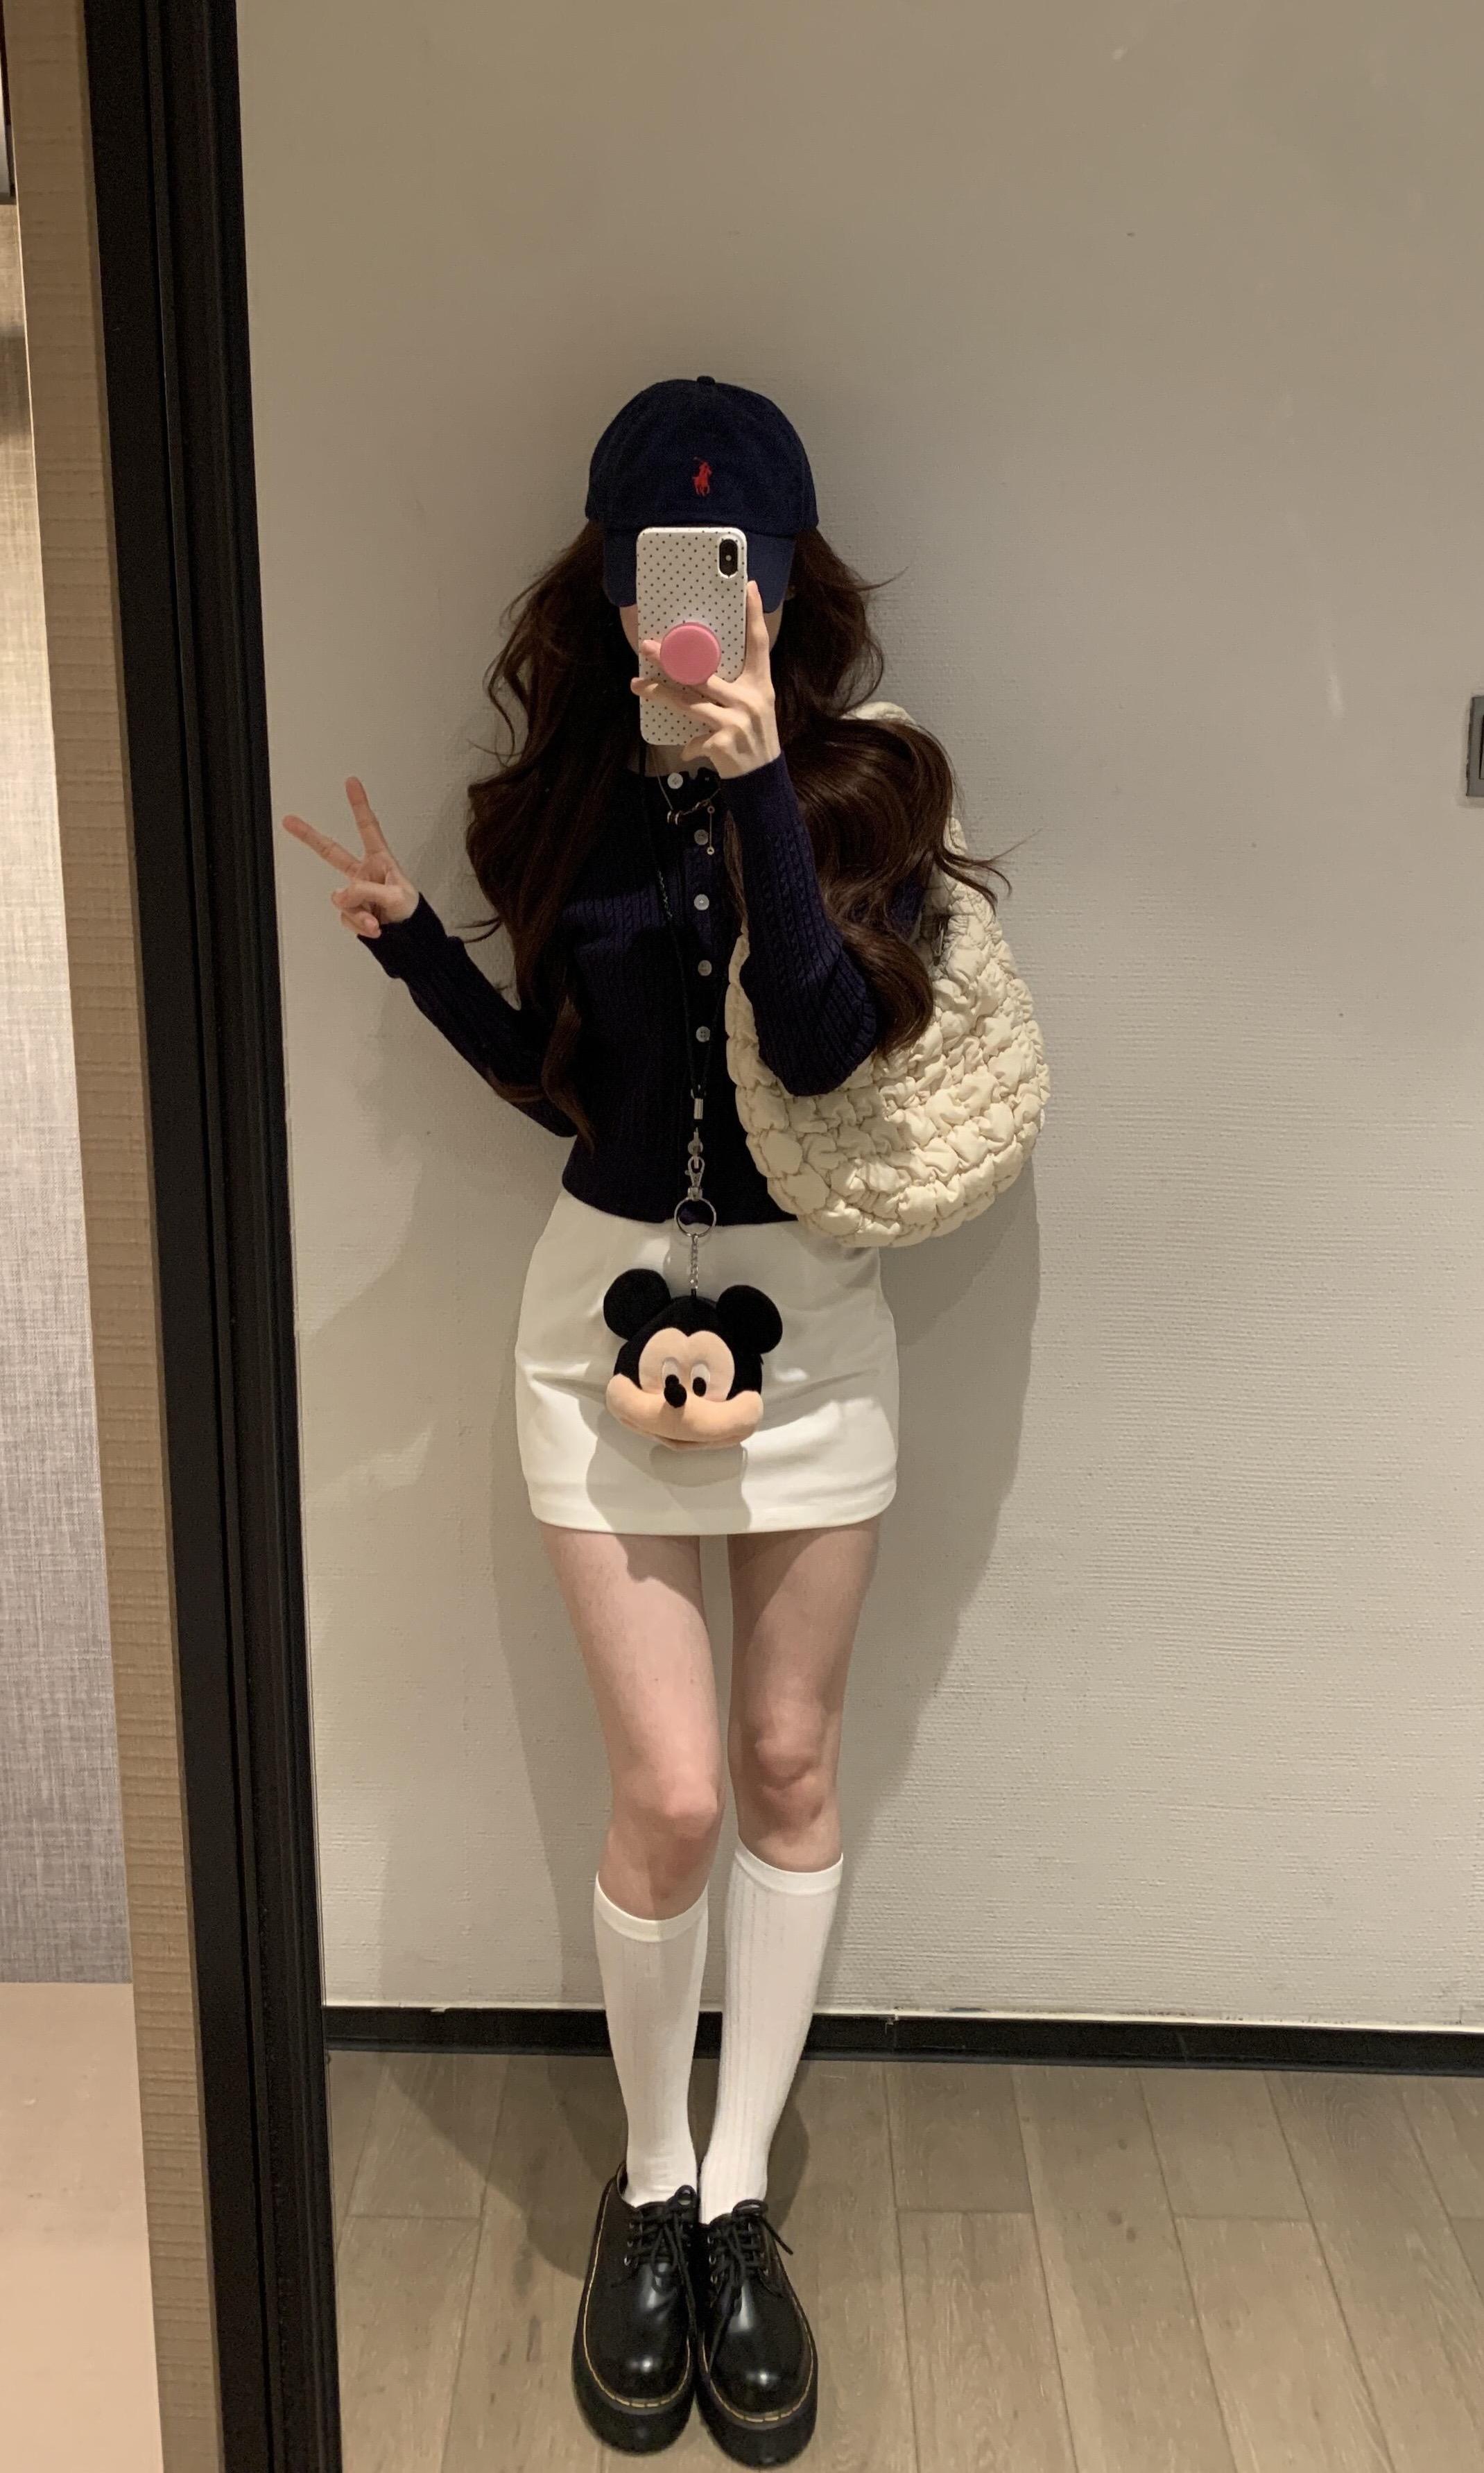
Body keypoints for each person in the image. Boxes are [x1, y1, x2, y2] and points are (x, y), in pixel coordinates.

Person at [283, 375, 998, 2465]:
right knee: (672, 1795)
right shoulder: (558, 802)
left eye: (727, 566)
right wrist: (413, 955)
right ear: (606, 584)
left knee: (785, 1765)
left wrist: (761, 781)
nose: (689, 606)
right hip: (590, 1315)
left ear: (783, 582)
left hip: (817, 1326)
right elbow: (564, 1082)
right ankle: (650, 2180)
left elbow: (823, 1047)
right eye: (654, 567)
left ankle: (739, 2193)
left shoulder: (869, 788)